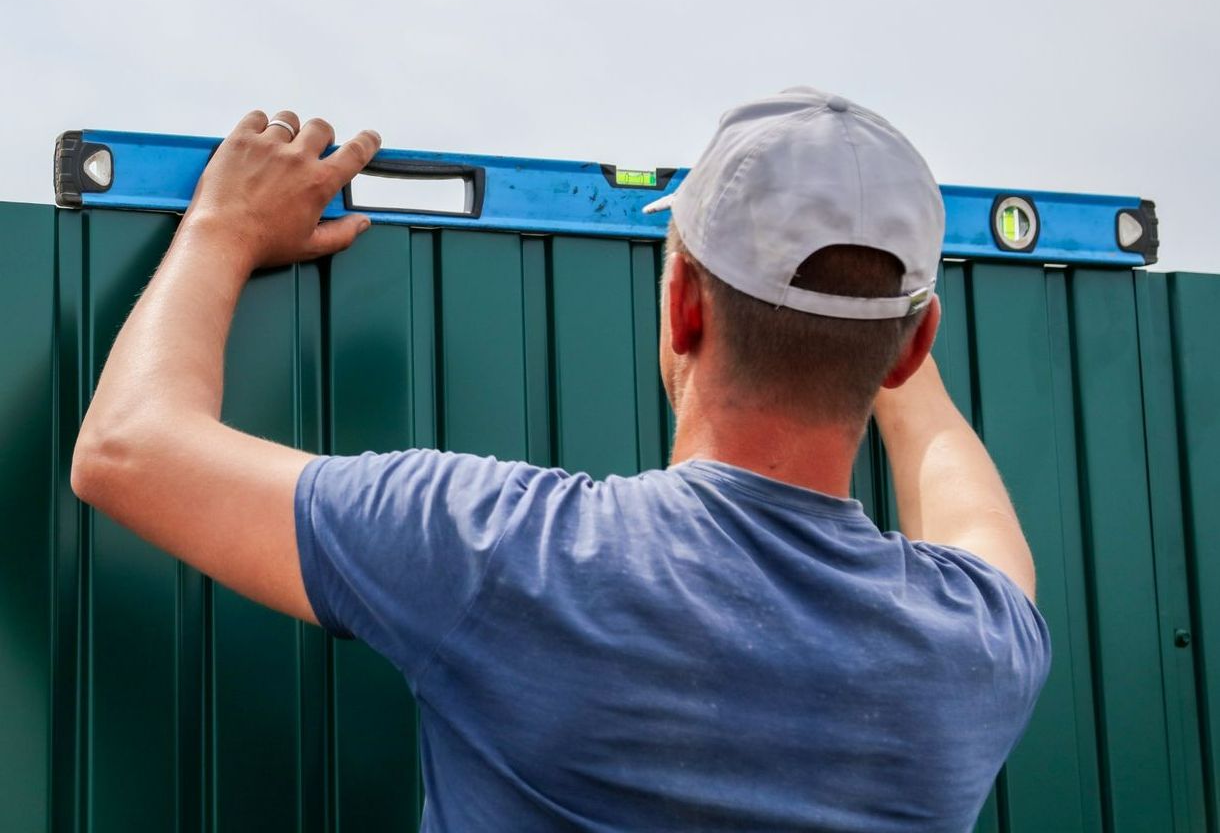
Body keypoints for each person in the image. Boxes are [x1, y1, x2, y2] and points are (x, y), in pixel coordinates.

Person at [72, 87, 1050, 832]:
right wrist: (870, 328)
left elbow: (126, 446)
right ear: (913, 347)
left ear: (680, 307)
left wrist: (224, 226)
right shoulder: (975, 645)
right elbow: (959, 494)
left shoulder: (506, 552)